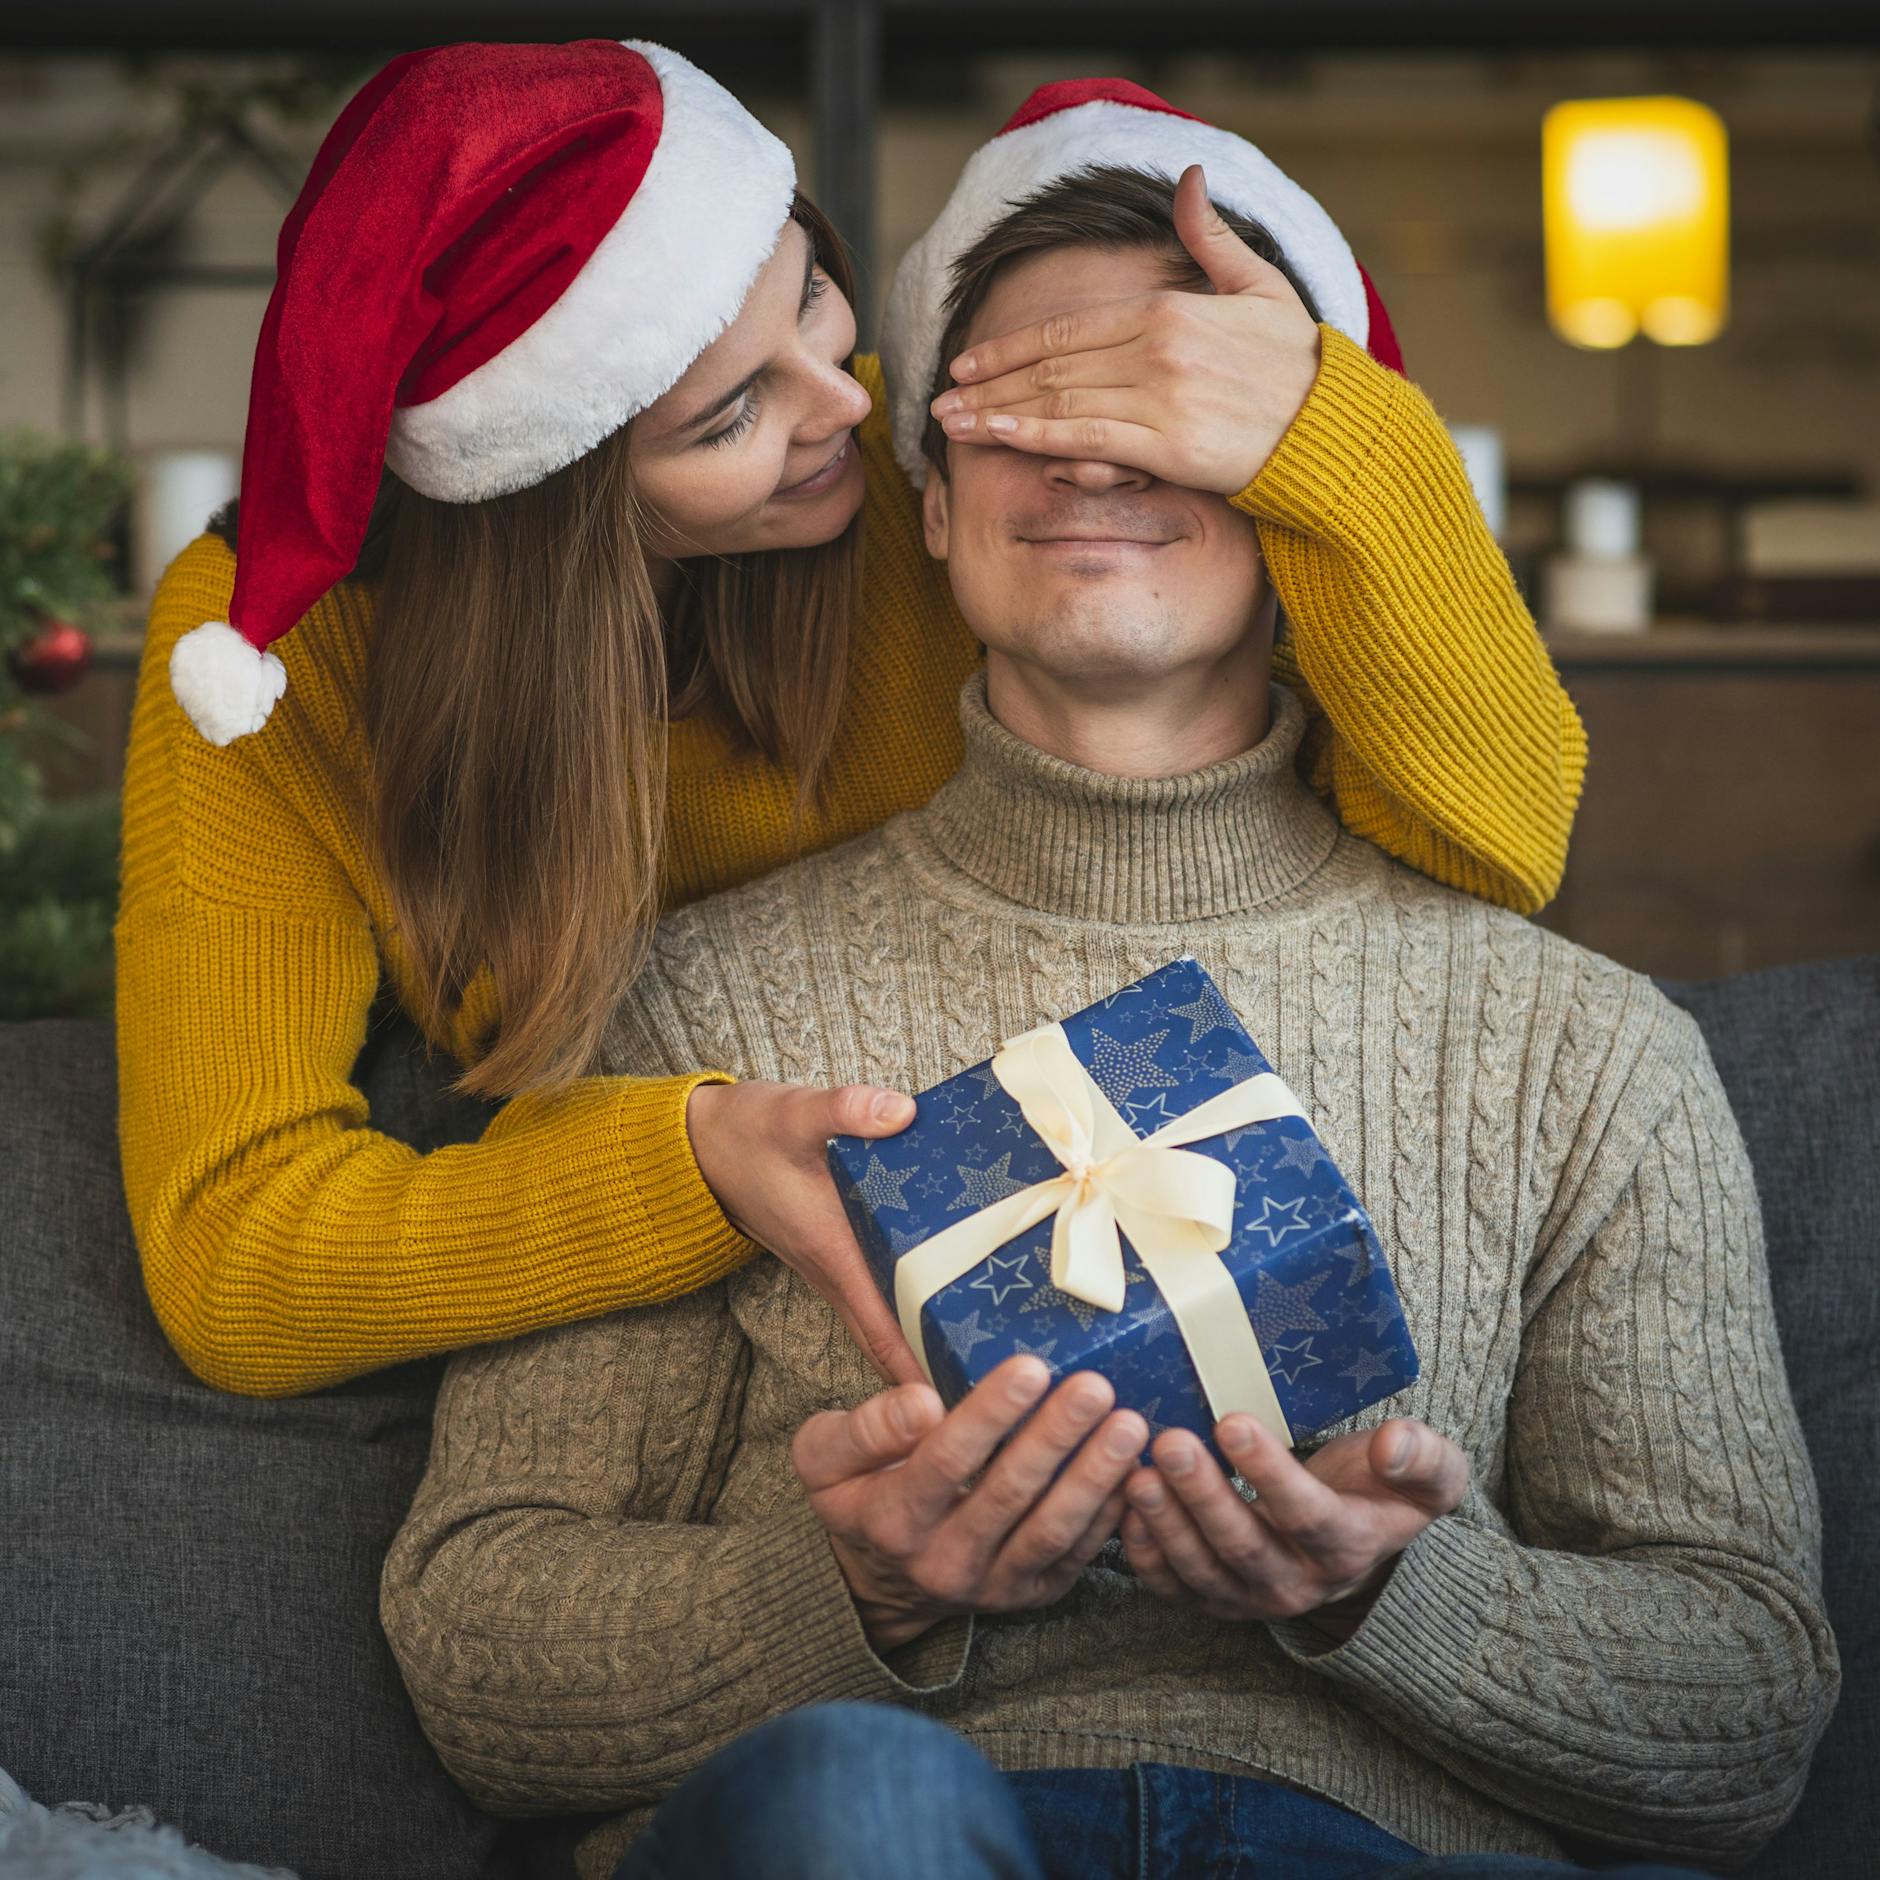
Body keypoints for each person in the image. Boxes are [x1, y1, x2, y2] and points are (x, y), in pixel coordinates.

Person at [379, 103, 1838, 1880]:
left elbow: (1752, 1711)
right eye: (1015, 407)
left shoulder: (1577, 1049)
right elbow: (472, 1643)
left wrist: (1397, 1588)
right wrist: (853, 1581)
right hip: (884, 1834)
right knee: (859, 1804)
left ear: (1300, 486)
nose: (1089, 462)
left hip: (1380, 1842)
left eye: (1169, 406)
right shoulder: (699, 1018)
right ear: (925, 498)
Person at [117, 43, 1586, 1399]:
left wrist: (1330, 418)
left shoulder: (954, 479)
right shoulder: (272, 666)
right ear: (554, 500)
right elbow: (234, 1256)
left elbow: (1495, 844)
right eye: (727, 418)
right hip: (670, 1308)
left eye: (813, 290)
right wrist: (690, 1165)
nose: (846, 402)